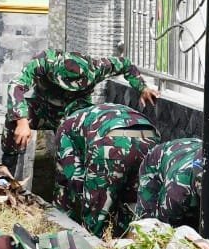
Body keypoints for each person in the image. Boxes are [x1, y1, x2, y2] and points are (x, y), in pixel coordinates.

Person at [4, 49, 159, 171]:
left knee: (76, 141)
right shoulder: (44, 62)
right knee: (13, 120)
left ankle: (71, 181)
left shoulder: (97, 67)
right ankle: (8, 169)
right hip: (45, 109)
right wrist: (22, 121)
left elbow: (126, 65)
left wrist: (142, 87)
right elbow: (16, 85)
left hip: (76, 114)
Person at [55, 102, 158, 238]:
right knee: (136, 201)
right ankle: (132, 241)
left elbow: (73, 177)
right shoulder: (106, 109)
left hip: (110, 144)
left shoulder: (66, 126)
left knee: (96, 212)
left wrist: (86, 199)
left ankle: (97, 248)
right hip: (149, 136)